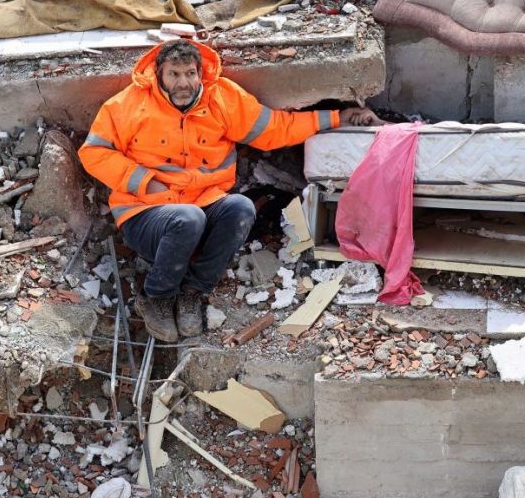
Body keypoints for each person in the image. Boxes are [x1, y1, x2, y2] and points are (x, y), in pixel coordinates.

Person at [78, 39, 380, 341]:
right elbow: (93, 153)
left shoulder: (221, 98)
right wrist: (145, 181)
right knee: (188, 219)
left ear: (200, 74)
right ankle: (157, 298)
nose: (183, 83)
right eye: (174, 75)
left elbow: (275, 129)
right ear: (159, 75)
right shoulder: (128, 104)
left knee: (240, 208)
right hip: (146, 214)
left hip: (202, 206)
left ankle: (193, 293)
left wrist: (340, 118)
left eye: (190, 74)